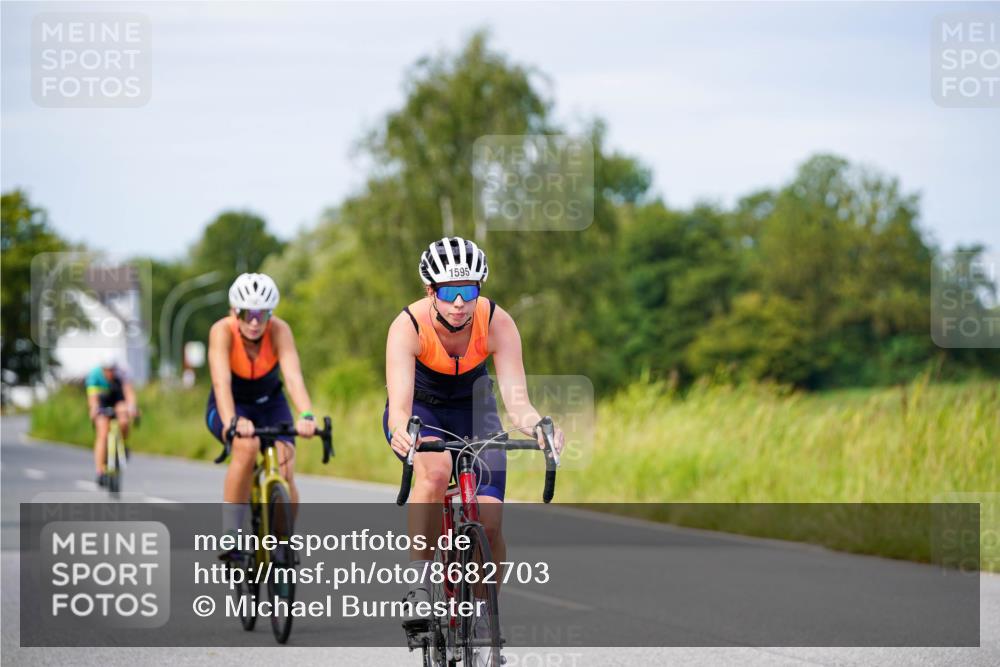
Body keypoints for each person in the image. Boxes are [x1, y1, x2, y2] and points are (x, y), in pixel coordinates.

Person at [383, 237, 565, 637]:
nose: (460, 303)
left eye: (469, 291)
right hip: (422, 410)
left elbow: (518, 405)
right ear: (431, 291)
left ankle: (482, 612)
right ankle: (418, 583)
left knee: (491, 520)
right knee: (434, 473)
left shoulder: (497, 321)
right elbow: (399, 406)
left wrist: (538, 427)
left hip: (475, 408)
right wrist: (401, 432)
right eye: (449, 292)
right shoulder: (407, 326)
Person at [206, 273, 317, 557]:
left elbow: (293, 378)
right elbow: (221, 382)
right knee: (246, 446)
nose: (255, 322)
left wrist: (306, 414)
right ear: (234, 312)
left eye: (262, 314)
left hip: (270, 403)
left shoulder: (280, 330)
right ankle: (232, 533)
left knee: (285, 468)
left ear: (271, 314)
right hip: (232, 403)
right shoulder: (222, 331)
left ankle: (281, 540)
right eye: (247, 314)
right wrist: (233, 421)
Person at [86, 356, 138, 487]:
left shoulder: (123, 372)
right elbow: (93, 399)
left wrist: (132, 408)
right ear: (102, 369)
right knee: (102, 433)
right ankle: (100, 471)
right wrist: (93, 410)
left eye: (112, 370)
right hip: (102, 400)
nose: (109, 373)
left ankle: (124, 445)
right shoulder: (94, 375)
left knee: (124, 420)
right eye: (106, 370)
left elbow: (128, 393)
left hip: (118, 397)